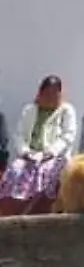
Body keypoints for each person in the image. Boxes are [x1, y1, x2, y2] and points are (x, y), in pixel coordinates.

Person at [0, 75, 77, 213]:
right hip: (30, 154)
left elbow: (68, 135)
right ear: (40, 92)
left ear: (60, 94)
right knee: (16, 170)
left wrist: (50, 152)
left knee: (48, 171)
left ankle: (42, 210)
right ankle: (16, 211)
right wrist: (25, 152)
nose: (50, 97)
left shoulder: (67, 111)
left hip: (54, 156)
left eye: (54, 93)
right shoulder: (30, 109)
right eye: (47, 93)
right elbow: (20, 135)